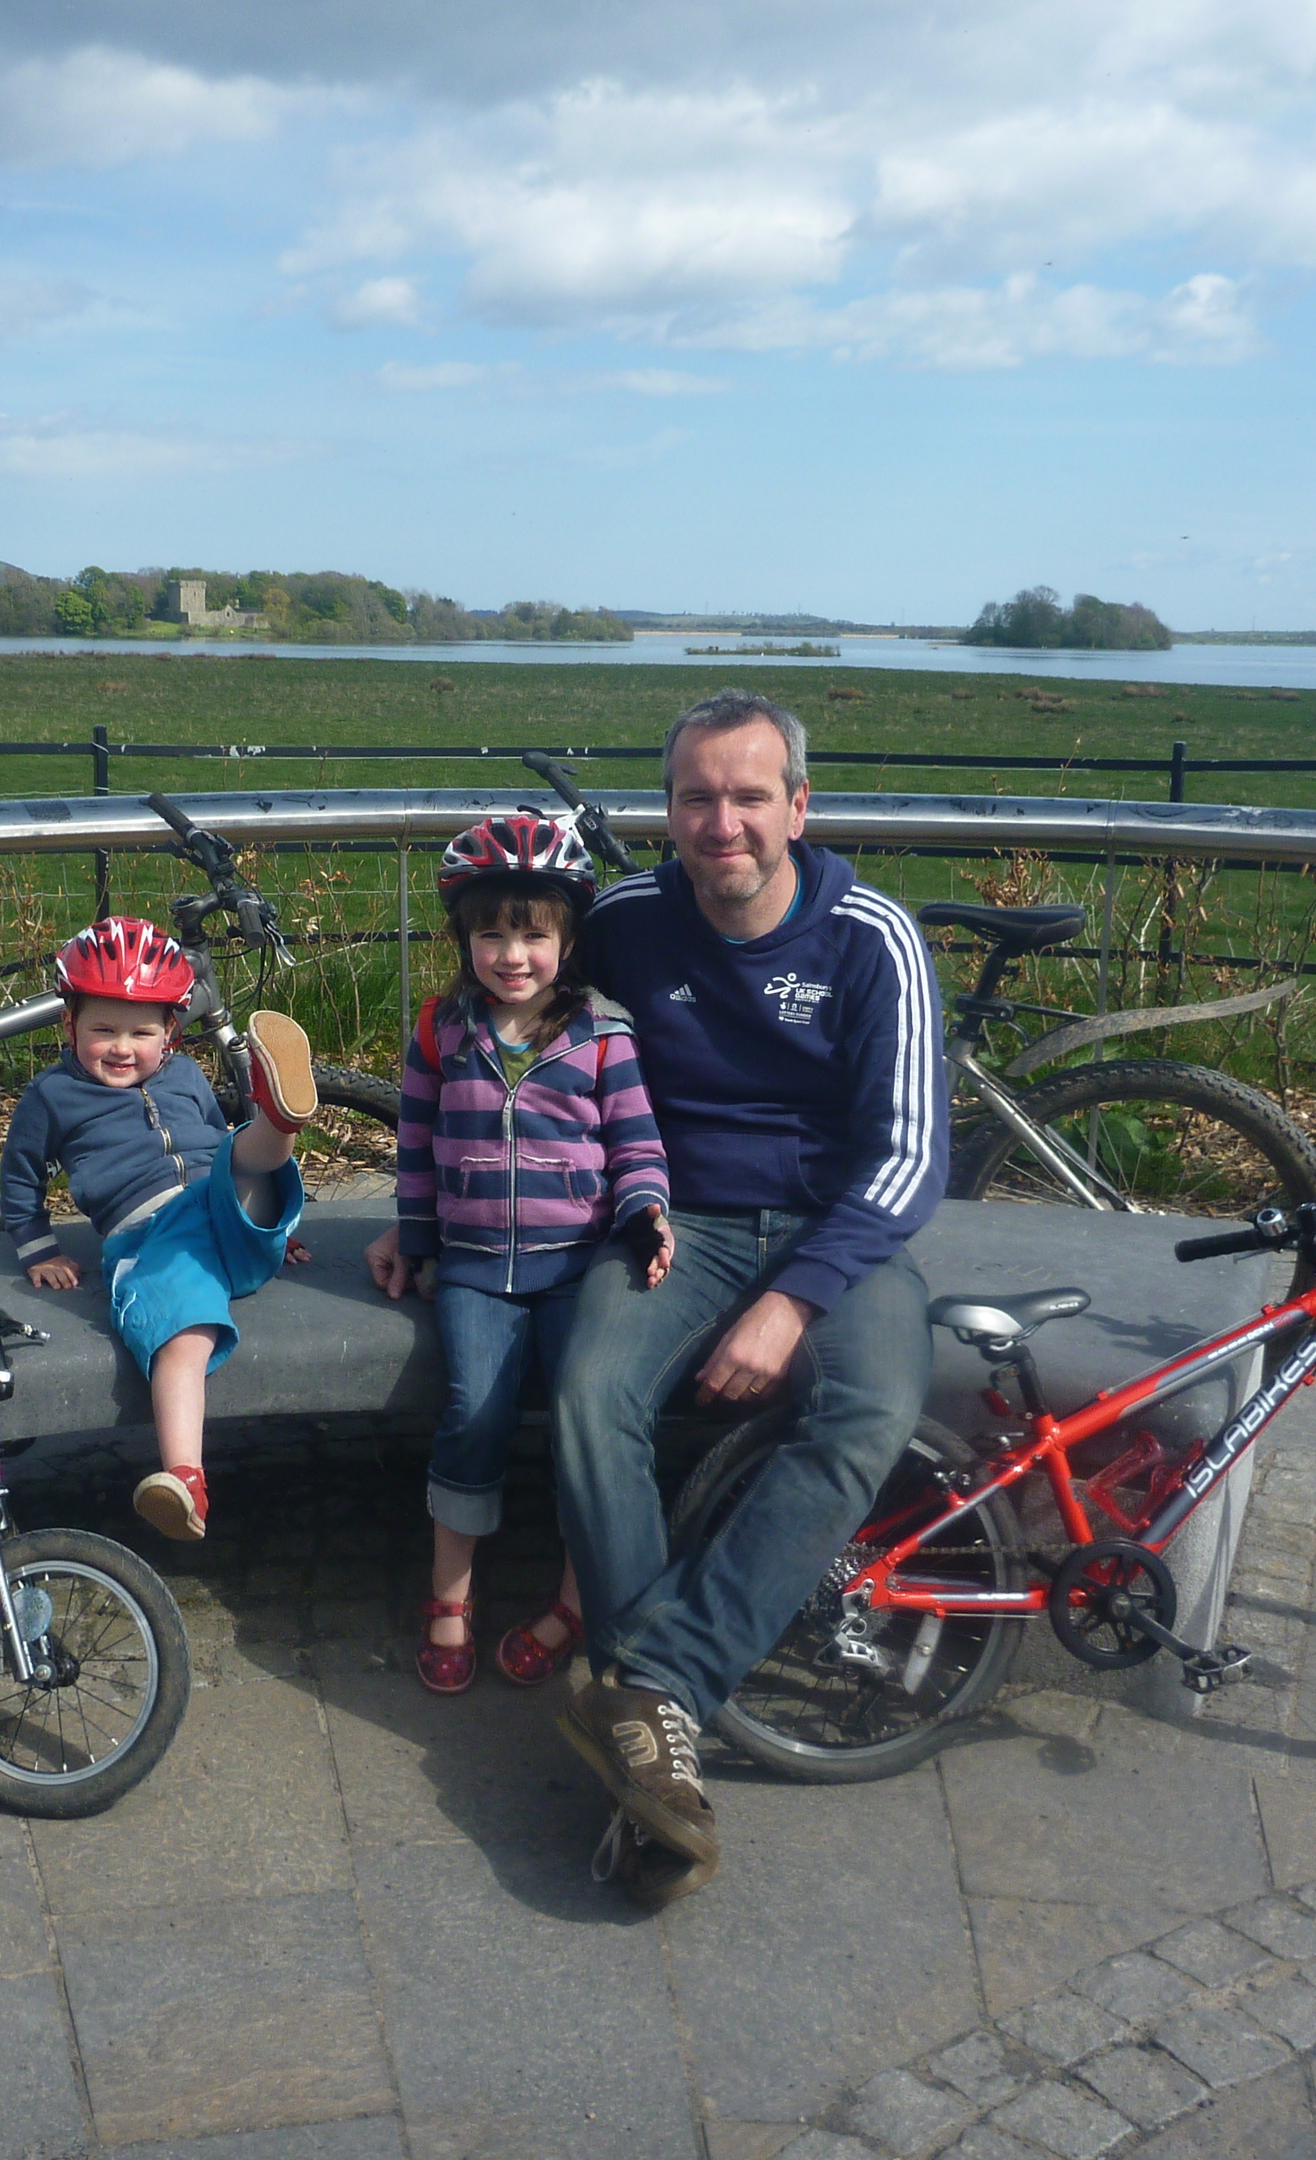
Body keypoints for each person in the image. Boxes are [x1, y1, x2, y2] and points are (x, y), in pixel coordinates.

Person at [370, 689, 947, 1907]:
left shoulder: (871, 937)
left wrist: (793, 1300)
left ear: (800, 805)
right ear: (668, 809)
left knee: (865, 1413)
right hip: (667, 1229)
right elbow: (499, 995)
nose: (720, 822)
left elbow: (907, 1158)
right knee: (590, 1392)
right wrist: (415, 1215)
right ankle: (655, 1737)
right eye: (696, 797)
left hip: (839, 1239)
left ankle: (654, 1687)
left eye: (748, 796)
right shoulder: (627, 922)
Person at [386, 814, 675, 1696]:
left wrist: (646, 1211)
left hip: (575, 1264)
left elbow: (635, 1142)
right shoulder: (441, 1030)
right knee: (474, 1411)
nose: (512, 954)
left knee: (584, 1427)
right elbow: (414, 1144)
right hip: (475, 1264)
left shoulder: (601, 1034)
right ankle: (451, 1597)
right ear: (463, 939)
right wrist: (414, 1238)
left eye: (534, 933)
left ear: (567, 938)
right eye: (491, 932)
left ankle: (574, 1602)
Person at [0, 917, 318, 1541]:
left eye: (142, 1032)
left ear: (171, 1033)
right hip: (154, 1234)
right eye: (102, 1030)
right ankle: (184, 1479)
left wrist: (271, 1236)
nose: (122, 1048)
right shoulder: (52, 1095)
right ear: (69, 1025)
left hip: (220, 1206)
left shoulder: (186, 1076)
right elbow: (19, 1180)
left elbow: (206, 1137)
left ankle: (276, 1127)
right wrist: (39, 1249)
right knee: (184, 1334)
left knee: (229, 1158)